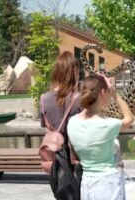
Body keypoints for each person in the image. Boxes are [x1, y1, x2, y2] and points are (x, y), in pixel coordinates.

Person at [67, 75, 134, 200]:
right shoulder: (106, 125)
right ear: (103, 93)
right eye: (108, 93)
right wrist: (116, 94)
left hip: (86, 182)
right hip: (108, 183)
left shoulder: (72, 122)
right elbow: (129, 118)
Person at [39, 51, 82, 200]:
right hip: (77, 158)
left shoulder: (44, 99)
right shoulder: (78, 98)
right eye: (77, 70)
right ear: (73, 71)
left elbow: (47, 127)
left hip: (55, 160)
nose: (79, 73)